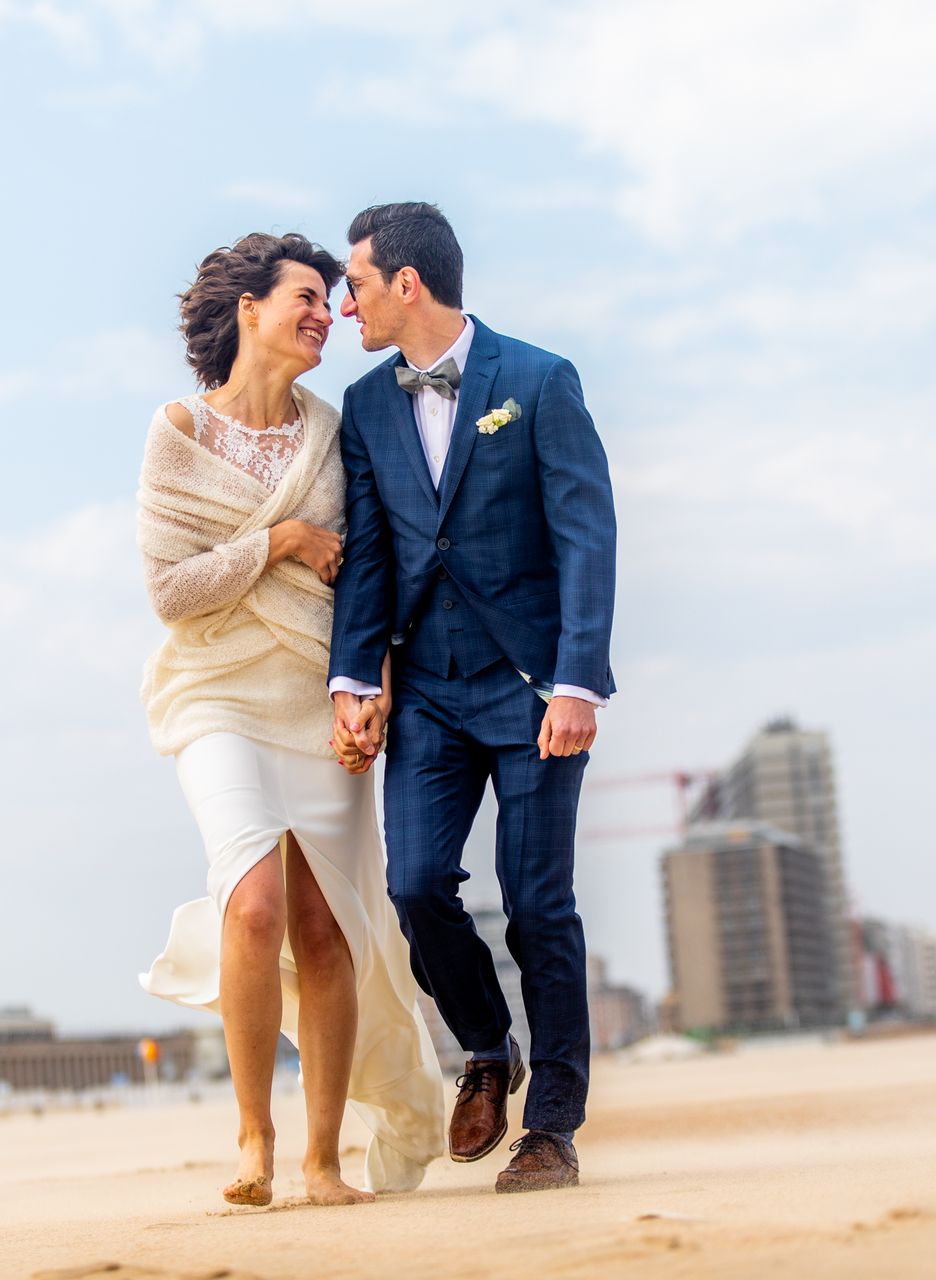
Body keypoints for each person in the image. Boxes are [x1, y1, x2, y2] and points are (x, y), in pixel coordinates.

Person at [135, 231, 446, 1207]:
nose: (328, 313)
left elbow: (372, 571)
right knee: (253, 896)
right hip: (216, 692)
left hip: (318, 694)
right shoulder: (178, 427)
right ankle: (254, 1142)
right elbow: (169, 590)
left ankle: (323, 1162)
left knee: (326, 926)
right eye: (307, 297)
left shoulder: (333, 427)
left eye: (330, 298)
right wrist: (277, 541)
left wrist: (371, 686)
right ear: (249, 310)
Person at [327, 202, 617, 1193]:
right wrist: (356, 676)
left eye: (356, 279)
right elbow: (368, 551)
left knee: (539, 906)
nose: (343, 299)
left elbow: (586, 533)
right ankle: (487, 1048)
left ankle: (552, 1130)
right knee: (416, 885)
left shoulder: (539, 380)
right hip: (431, 702)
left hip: (537, 690)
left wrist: (579, 678)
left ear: (408, 282)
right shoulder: (366, 406)